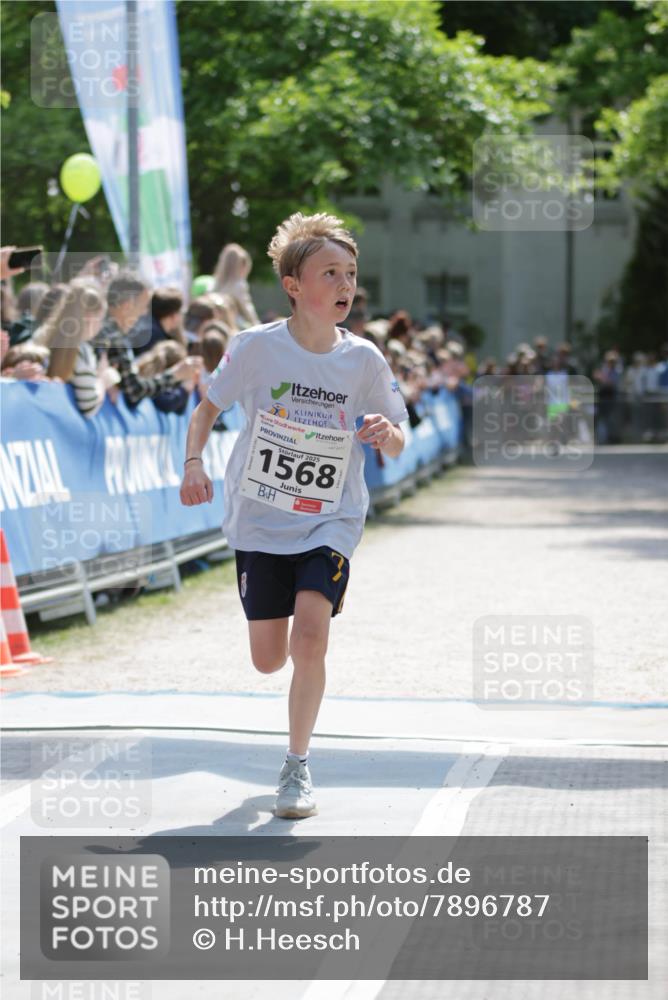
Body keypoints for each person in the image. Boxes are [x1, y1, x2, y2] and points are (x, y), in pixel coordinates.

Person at [180, 212, 408, 819]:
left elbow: (401, 435)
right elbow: (205, 410)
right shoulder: (254, 348)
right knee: (267, 658)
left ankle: (297, 765)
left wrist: (386, 434)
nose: (344, 284)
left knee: (311, 635)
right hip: (260, 522)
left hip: (330, 520)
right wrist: (194, 463)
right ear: (293, 285)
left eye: (350, 274)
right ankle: (286, 711)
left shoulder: (363, 360)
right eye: (329, 272)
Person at [94, 271, 200, 407]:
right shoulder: (113, 337)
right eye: (144, 307)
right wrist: (175, 375)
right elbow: (134, 391)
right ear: (127, 305)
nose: (145, 313)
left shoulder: (108, 332)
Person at [43, 282, 117, 418]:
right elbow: (89, 406)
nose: (101, 325)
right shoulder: (82, 350)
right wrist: (102, 378)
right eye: (100, 319)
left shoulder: (44, 337)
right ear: (90, 317)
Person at [212, 242, 260, 330]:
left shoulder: (214, 284)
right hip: (235, 325)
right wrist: (257, 325)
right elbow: (247, 308)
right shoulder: (239, 284)